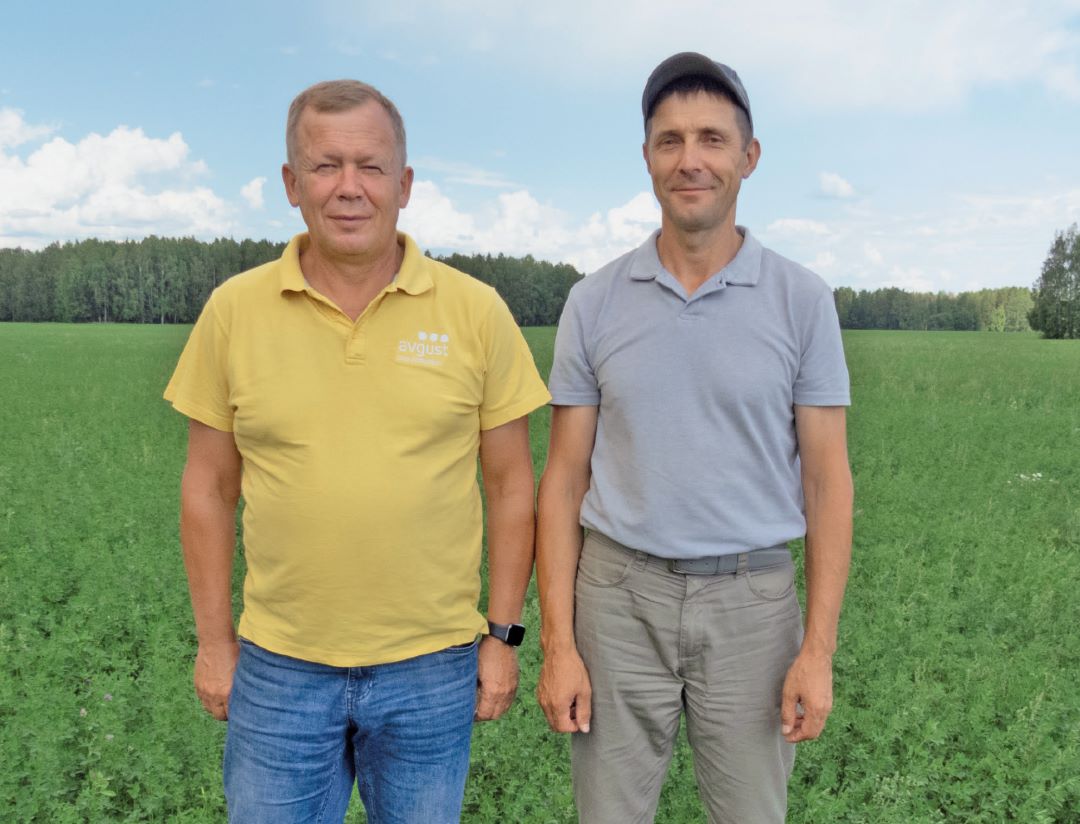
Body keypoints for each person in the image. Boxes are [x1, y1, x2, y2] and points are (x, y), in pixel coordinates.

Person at [165, 79, 550, 823]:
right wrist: (214, 643)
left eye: (371, 166)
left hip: (432, 668)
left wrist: (502, 638)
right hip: (279, 669)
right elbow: (207, 488)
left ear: (404, 185)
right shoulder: (234, 310)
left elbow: (511, 488)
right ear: (292, 184)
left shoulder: (476, 312)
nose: (349, 187)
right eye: (326, 165)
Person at [535, 52, 853, 823]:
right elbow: (564, 479)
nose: (690, 160)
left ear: (749, 156)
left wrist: (817, 651)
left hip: (752, 605)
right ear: (647, 157)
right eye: (670, 140)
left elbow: (826, 482)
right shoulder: (594, 301)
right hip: (616, 601)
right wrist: (558, 645)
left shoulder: (802, 301)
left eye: (712, 139)